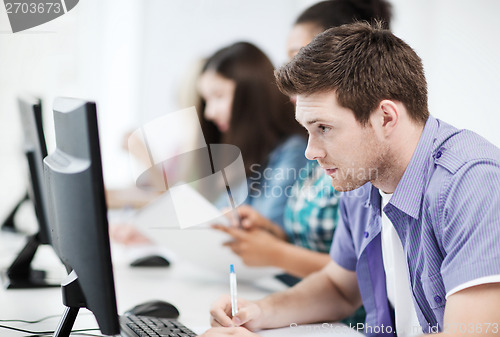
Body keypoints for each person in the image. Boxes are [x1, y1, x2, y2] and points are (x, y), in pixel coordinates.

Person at [200, 22, 500, 337]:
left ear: (386, 118)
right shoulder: (360, 179)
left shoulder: (474, 184)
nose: (310, 152)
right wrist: (259, 312)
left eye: (324, 129)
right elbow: (338, 287)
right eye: (307, 130)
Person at [214, 0, 392, 281]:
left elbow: (364, 276)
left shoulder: (366, 159)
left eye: (298, 57)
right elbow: (327, 248)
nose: (289, 71)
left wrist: (276, 253)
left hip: (350, 324)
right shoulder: (318, 146)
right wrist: (272, 233)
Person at [197, 41, 308, 227]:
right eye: (207, 100)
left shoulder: (294, 150)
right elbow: (217, 215)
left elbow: (263, 228)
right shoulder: (251, 152)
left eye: (218, 96)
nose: (209, 113)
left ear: (251, 95)